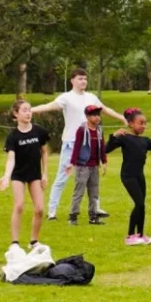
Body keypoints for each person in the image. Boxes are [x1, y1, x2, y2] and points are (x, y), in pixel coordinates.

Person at [31, 69, 126, 220]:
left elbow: (105, 109)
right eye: (80, 79)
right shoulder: (66, 97)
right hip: (71, 142)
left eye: (85, 79)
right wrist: (29, 111)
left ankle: (95, 208)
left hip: (89, 143)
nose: (83, 81)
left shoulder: (91, 97)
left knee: (92, 178)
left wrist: (121, 117)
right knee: (62, 177)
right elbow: (49, 106)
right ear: (72, 80)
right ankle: (52, 211)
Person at [106, 108, 151, 246]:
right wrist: (114, 136)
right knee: (139, 203)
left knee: (142, 206)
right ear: (131, 124)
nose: (144, 126)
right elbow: (106, 149)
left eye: (145, 123)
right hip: (128, 176)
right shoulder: (124, 138)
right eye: (140, 123)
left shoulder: (145, 141)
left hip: (140, 175)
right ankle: (130, 236)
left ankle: (140, 234)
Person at [0, 99, 50, 251]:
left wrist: (45, 173)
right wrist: (6, 177)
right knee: (19, 205)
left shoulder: (39, 132)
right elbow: (11, 159)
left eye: (29, 110)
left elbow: (44, 152)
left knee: (40, 209)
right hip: (18, 175)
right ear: (16, 114)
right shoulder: (13, 137)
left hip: (35, 174)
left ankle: (34, 241)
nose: (28, 113)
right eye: (24, 110)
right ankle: (14, 243)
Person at [65, 105, 108, 226]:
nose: (97, 117)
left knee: (94, 192)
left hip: (94, 165)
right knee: (79, 191)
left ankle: (93, 216)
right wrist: (72, 163)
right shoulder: (82, 130)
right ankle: (73, 216)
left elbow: (102, 146)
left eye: (98, 115)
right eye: (94, 115)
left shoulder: (99, 130)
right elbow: (77, 147)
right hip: (83, 166)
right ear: (87, 116)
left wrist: (103, 161)